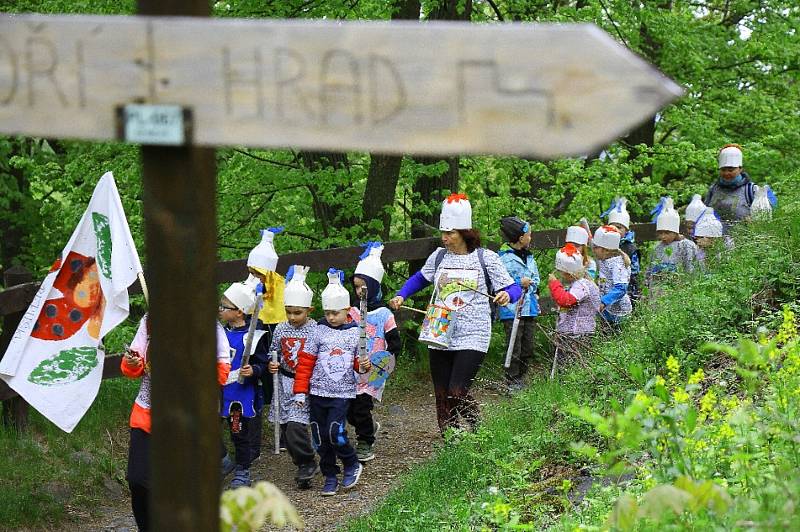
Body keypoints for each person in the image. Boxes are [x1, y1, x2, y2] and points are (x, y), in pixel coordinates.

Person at [388, 193, 521, 433]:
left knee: (457, 392)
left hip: (473, 333)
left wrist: (506, 296)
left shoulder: (485, 258)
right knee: (441, 396)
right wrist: (401, 295)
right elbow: (420, 278)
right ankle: (451, 444)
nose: (445, 238)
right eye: (443, 233)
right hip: (439, 331)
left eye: (450, 234)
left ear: (464, 233)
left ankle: (479, 432)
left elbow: (514, 288)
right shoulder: (438, 256)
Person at [121, 315, 231, 531]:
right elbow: (132, 365)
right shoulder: (150, 320)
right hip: (147, 414)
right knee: (138, 480)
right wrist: (133, 361)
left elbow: (222, 367)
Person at [293, 269, 371, 496]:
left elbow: (358, 364)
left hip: (341, 393)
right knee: (319, 436)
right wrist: (300, 391)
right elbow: (305, 362)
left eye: (335, 313)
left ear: (347, 311)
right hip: (318, 393)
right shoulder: (318, 331)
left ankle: (351, 462)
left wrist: (363, 365)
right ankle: (329, 474)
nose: (331, 317)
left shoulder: (356, 333)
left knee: (335, 432)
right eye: (327, 313)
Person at [347, 242, 401, 462]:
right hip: (352, 368)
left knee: (361, 407)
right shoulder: (350, 311)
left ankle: (365, 441)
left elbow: (395, 343)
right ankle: (368, 427)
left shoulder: (383, 314)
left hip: (374, 369)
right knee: (350, 410)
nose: (359, 291)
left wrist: (384, 364)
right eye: (356, 287)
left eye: (363, 286)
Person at [268, 265, 320, 489]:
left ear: (309, 309)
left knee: (295, 426)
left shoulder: (316, 329)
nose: (292, 316)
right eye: (288, 311)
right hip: (284, 381)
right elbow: (274, 350)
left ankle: (307, 462)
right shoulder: (280, 329)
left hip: (305, 383)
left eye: (297, 312)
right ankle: (303, 461)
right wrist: (272, 362)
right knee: (287, 428)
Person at [219, 282, 270, 489]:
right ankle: (223, 460)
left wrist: (254, 371)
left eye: (224, 307)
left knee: (238, 431)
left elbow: (262, 364)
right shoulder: (219, 333)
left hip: (240, 392)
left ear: (240, 312)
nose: (220, 310)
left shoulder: (254, 337)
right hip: (219, 389)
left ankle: (243, 469)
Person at [244, 227, 287, 427]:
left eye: (257, 274)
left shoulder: (281, 288)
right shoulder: (250, 287)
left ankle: (284, 420)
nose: (253, 277)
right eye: (251, 272)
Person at [497, 216, 540, 388]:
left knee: (528, 345)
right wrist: (518, 283)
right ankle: (511, 378)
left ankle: (522, 375)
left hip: (529, 307)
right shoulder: (503, 259)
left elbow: (536, 278)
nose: (531, 238)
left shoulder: (529, 258)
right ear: (521, 238)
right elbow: (500, 282)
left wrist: (531, 284)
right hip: (512, 309)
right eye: (529, 235)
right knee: (514, 344)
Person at [547, 244, 601, 373]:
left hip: (577, 332)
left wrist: (554, 284)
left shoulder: (582, 285)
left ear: (568, 274)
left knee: (571, 366)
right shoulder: (577, 283)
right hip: (572, 331)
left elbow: (566, 300)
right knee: (569, 363)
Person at [647, 197, 701, 282]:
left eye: (667, 233)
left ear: (675, 232)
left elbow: (691, 269)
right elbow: (650, 270)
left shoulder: (686, 246)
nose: (663, 237)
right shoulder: (657, 247)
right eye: (660, 233)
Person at [704, 144, 756, 228]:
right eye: (723, 170)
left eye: (731, 170)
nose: (726, 173)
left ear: (740, 169)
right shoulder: (713, 189)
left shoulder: (751, 190)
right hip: (714, 238)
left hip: (741, 238)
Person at [592, 226, 632, 327]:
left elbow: (621, 288)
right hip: (606, 309)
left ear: (606, 250)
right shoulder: (602, 259)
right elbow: (591, 243)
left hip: (619, 311)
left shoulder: (617, 264)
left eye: (596, 247)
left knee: (619, 338)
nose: (593, 249)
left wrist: (604, 302)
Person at [604, 197, 641, 304]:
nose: (615, 229)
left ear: (626, 230)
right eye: (613, 226)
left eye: (619, 227)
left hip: (627, 284)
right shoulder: (604, 245)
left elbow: (634, 270)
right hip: (607, 282)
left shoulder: (630, 248)